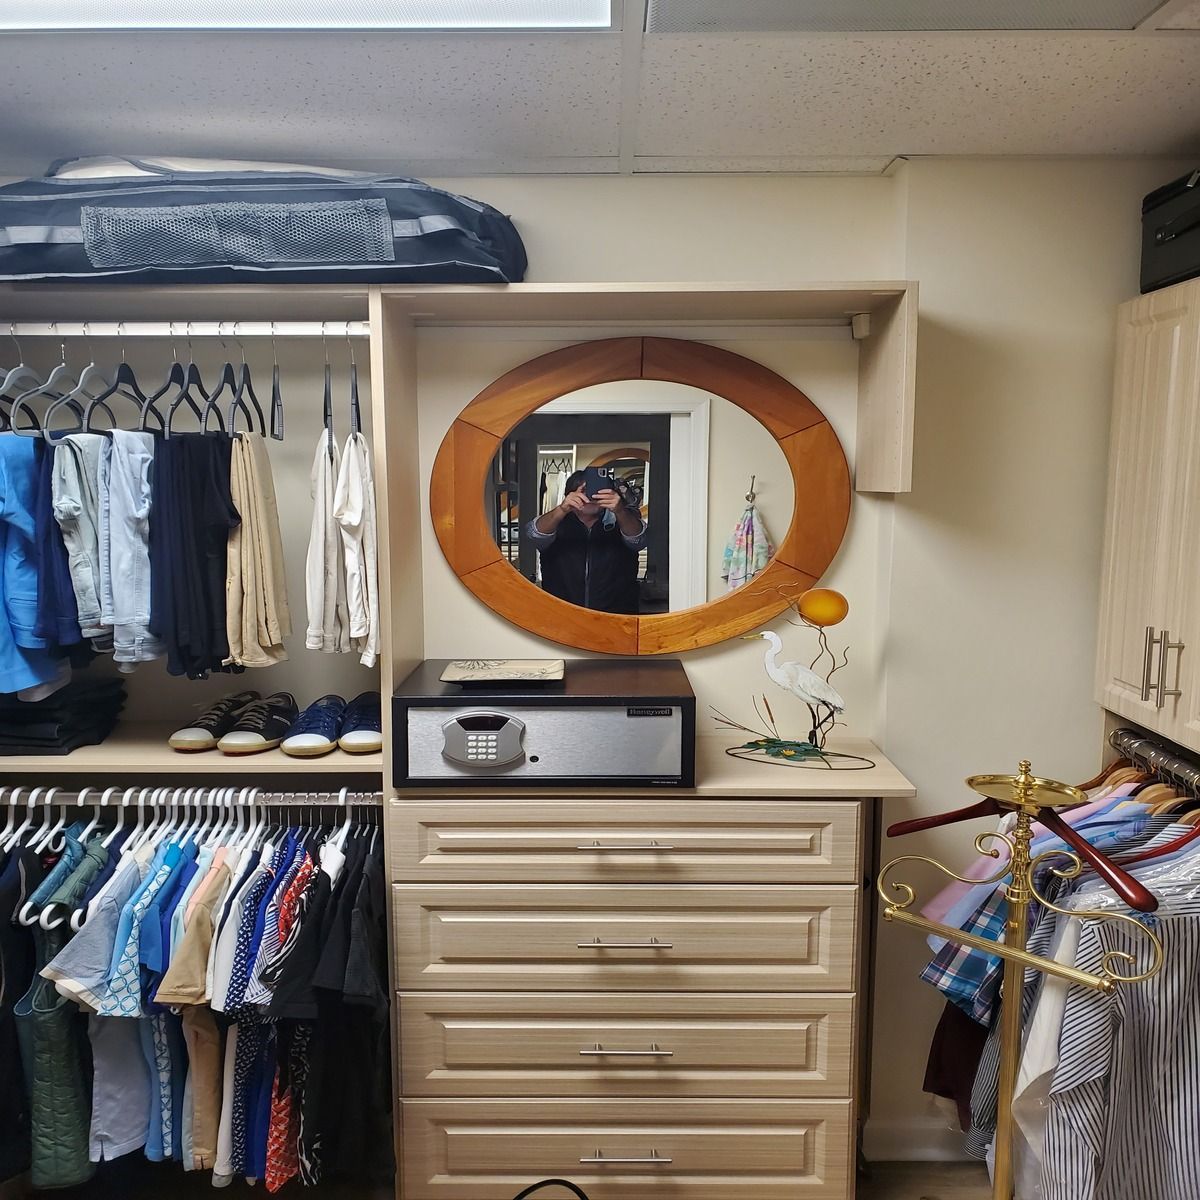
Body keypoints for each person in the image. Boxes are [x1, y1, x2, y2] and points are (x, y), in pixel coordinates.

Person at [525, 469, 647, 614]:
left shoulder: (621, 522)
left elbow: (639, 539)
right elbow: (533, 534)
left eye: (597, 491)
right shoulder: (556, 525)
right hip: (561, 617)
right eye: (584, 492)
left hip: (617, 620)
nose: (590, 497)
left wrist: (620, 511)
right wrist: (562, 509)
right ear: (569, 495)